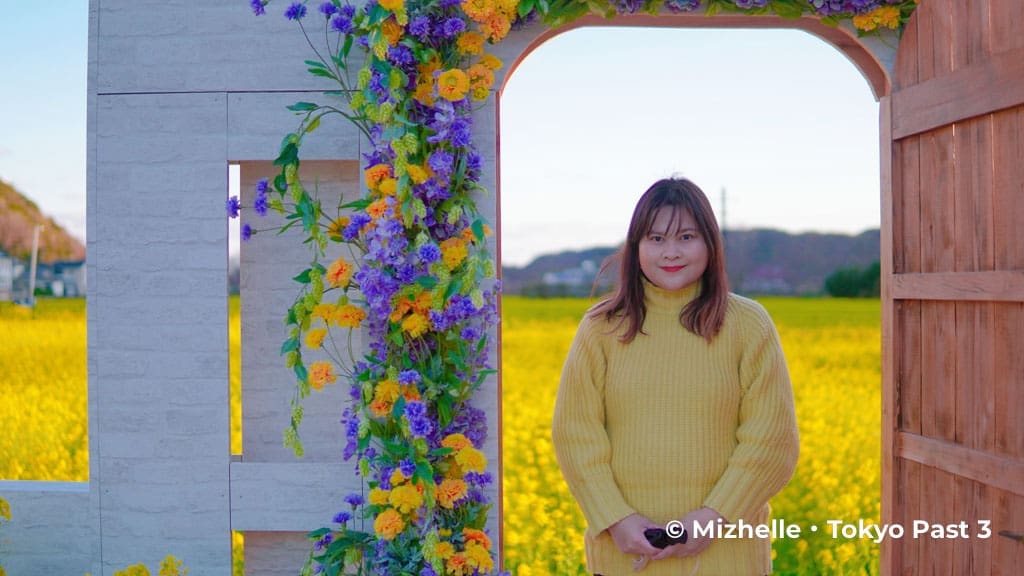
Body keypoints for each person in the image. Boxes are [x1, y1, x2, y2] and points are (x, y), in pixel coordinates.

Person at [551, 177, 799, 575]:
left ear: (710, 245)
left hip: (727, 558)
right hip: (625, 556)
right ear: (636, 248)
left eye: (686, 236)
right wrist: (615, 518)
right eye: (655, 238)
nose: (671, 252)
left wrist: (715, 515)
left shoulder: (749, 325)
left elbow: (772, 439)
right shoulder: (601, 327)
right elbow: (575, 434)